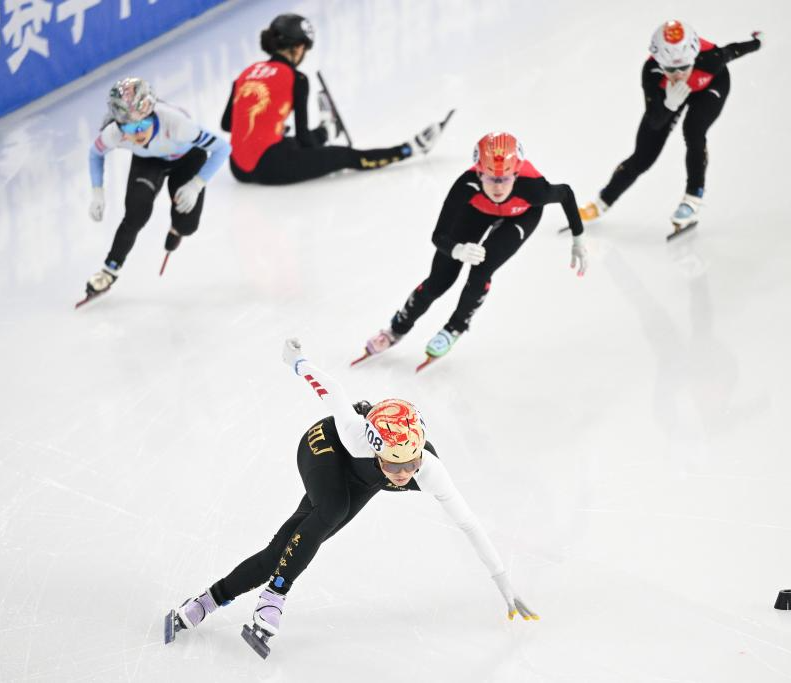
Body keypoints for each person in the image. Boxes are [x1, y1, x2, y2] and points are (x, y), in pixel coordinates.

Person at [165, 339, 538, 654]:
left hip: (359, 480)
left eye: (410, 463)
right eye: (394, 466)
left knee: (282, 549)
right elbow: (331, 390)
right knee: (333, 508)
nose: (405, 474)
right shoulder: (354, 432)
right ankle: (274, 596)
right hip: (323, 449)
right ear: (376, 450)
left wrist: (504, 584)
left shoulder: (429, 470)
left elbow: (469, 524)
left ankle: (205, 602)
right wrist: (297, 360)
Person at [356, 132, 587, 366]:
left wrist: (578, 239)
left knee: (482, 270)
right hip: (477, 210)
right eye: (490, 178)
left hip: (521, 214)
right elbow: (439, 236)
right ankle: (395, 329)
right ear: (478, 172)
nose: (498, 188)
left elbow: (566, 194)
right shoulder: (465, 185)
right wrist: (456, 250)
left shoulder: (534, 189)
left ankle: (454, 328)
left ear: (516, 174)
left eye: (505, 179)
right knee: (439, 280)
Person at [579, 21, 764, 233]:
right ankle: (602, 202)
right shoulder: (652, 71)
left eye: (684, 67)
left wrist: (757, 42)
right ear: (660, 63)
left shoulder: (711, 58)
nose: (678, 75)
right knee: (643, 156)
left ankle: (692, 198)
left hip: (711, 86)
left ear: (693, 57)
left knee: (694, 130)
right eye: (671, 69)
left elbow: (735, 50)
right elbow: (655, 121)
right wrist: (669, 104)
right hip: (670, 97)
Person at [220, 14, 449, 185]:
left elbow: (227, 124)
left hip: (238, 170)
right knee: (344, 156)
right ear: (299, 47)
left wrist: (270, 124)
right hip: (270, 168)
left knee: (285, 141)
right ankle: (408, 149)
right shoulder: (296, 78)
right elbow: (305, 140)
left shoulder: (246, 73)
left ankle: (328, 129)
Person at [83, 77, 230, 298]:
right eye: (130, 128)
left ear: (152, 114)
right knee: (135, 214)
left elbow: (223, 148)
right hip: (148, 161)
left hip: (187, 159)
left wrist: (196, 185)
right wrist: (97, 193)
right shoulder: (115, 133)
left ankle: (177, 229)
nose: (137, 134)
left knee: (187, 225)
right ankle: (109, 270)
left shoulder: (179, 125)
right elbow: (95, 154)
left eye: (143, 125)